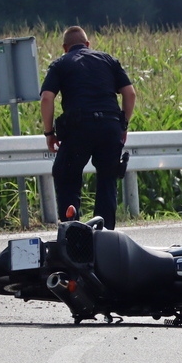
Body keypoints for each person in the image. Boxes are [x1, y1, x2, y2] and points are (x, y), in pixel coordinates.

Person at [40, 26, 136, 230]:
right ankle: (104, 233)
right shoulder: (108, 60)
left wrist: (49, 133)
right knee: (107, 179)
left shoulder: (61, 63)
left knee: (66, 175)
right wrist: (123, 125)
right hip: (110, 127)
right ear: (88, 44)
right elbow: (130, 94)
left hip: (78, 128)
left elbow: (47, 98)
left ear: (65, 48)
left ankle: (72, 231)